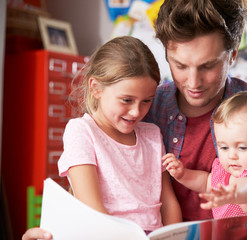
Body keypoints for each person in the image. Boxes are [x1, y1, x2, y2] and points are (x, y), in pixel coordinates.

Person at [23, 0, 247, 239]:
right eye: (179, 65)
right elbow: (98, 187)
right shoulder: (145, 108)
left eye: (208, 66)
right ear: (165, 54)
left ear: (232, 54)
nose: (193, 82)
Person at [22, 36, 182, 240]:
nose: (136, 111)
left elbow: (168, 203)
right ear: (96, 88)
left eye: (146, 101)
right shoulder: (82, 131)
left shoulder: (151, 134)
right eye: (127, 100)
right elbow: (93, 211)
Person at [163, 91, 247, 230]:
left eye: (242, 147)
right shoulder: (222, 170)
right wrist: (182, 174)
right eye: (223, 147)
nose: (231, 156)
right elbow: (205, 182)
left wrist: (234, 193)